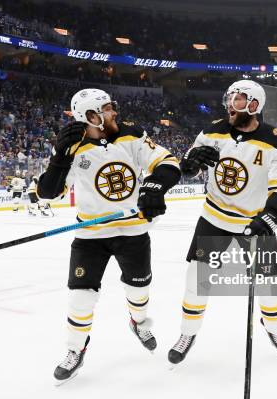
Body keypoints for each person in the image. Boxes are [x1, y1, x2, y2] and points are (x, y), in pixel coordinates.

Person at [37, 88, 181, 384]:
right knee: (80, 298)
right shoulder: (72, 147)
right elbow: (48, 193)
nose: (115, 110)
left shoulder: (131, 135)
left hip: (133, 231)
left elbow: (169, 164)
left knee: (138, 291)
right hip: (90, 235)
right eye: (108, 107)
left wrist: (155, 187)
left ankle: (138, 322)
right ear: (92, 116)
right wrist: (59, 160)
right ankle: (75, 350)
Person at [167, 80, 277, 366]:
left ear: (254, 105)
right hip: (213, 218)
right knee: (196, 281)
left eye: (237, 99)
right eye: (230, 98)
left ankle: (275, 330)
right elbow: (189, 165)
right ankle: (187, 334)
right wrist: (189, 165)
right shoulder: (212, 130)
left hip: (255, 222)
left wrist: (271, 214)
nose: (230, 103)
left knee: (270, 283)